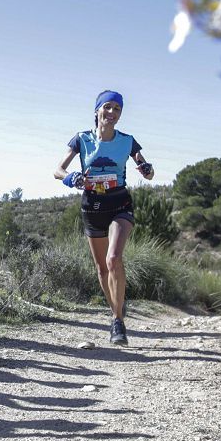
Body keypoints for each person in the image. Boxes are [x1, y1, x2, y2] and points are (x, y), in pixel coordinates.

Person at [53, 90, 154, 345]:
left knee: (113, 258)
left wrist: (146, 169)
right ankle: (116, 312)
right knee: (100, 267)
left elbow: (148, 172)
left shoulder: (128, 141)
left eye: (117, 110)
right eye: (107, 107)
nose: (112, 113)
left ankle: (118, 322)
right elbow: (58, 169)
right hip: (92, 204)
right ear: (97, 110)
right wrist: (71, 178)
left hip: (119, 202)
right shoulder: (82, 139)